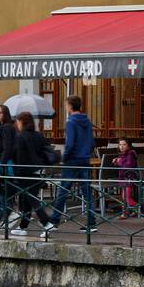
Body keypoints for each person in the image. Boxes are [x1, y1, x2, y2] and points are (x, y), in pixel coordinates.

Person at [47, 95, 96, 237]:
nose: (65, 107)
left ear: (70, 106)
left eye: (66, 105)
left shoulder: (70, 122)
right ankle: (91, 223)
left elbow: (70, 143)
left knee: (63, 191)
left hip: (72, 160)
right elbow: (92, 142)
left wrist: (65, 158)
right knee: (87, 192)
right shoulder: (87, 121)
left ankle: (55, 220)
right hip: (85, 160)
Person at [9, 112, 55, 236]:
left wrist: (17, 175)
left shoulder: (20, 137)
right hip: (38, 172)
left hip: (25, 173)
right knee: (27, 200)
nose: (16, 124)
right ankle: (23, 226)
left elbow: (19, 157)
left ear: (22, 122)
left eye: (17, 122)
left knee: (32, 199)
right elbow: (45, 152)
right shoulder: (38, 136)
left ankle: (46, 223)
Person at [113, 137, 140, 216]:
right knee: (124, 196)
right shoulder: (123, 154)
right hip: (124, 177)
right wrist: (117, 161)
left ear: (128, 146)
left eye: (124, 144)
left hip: (129, 177)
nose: (121, 146)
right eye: (120, 144)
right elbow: (122, 163)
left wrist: (118, 161)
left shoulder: (130, 153)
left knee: (126, 196)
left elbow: (128, 165)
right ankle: (127, 211)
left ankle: (135, 207)